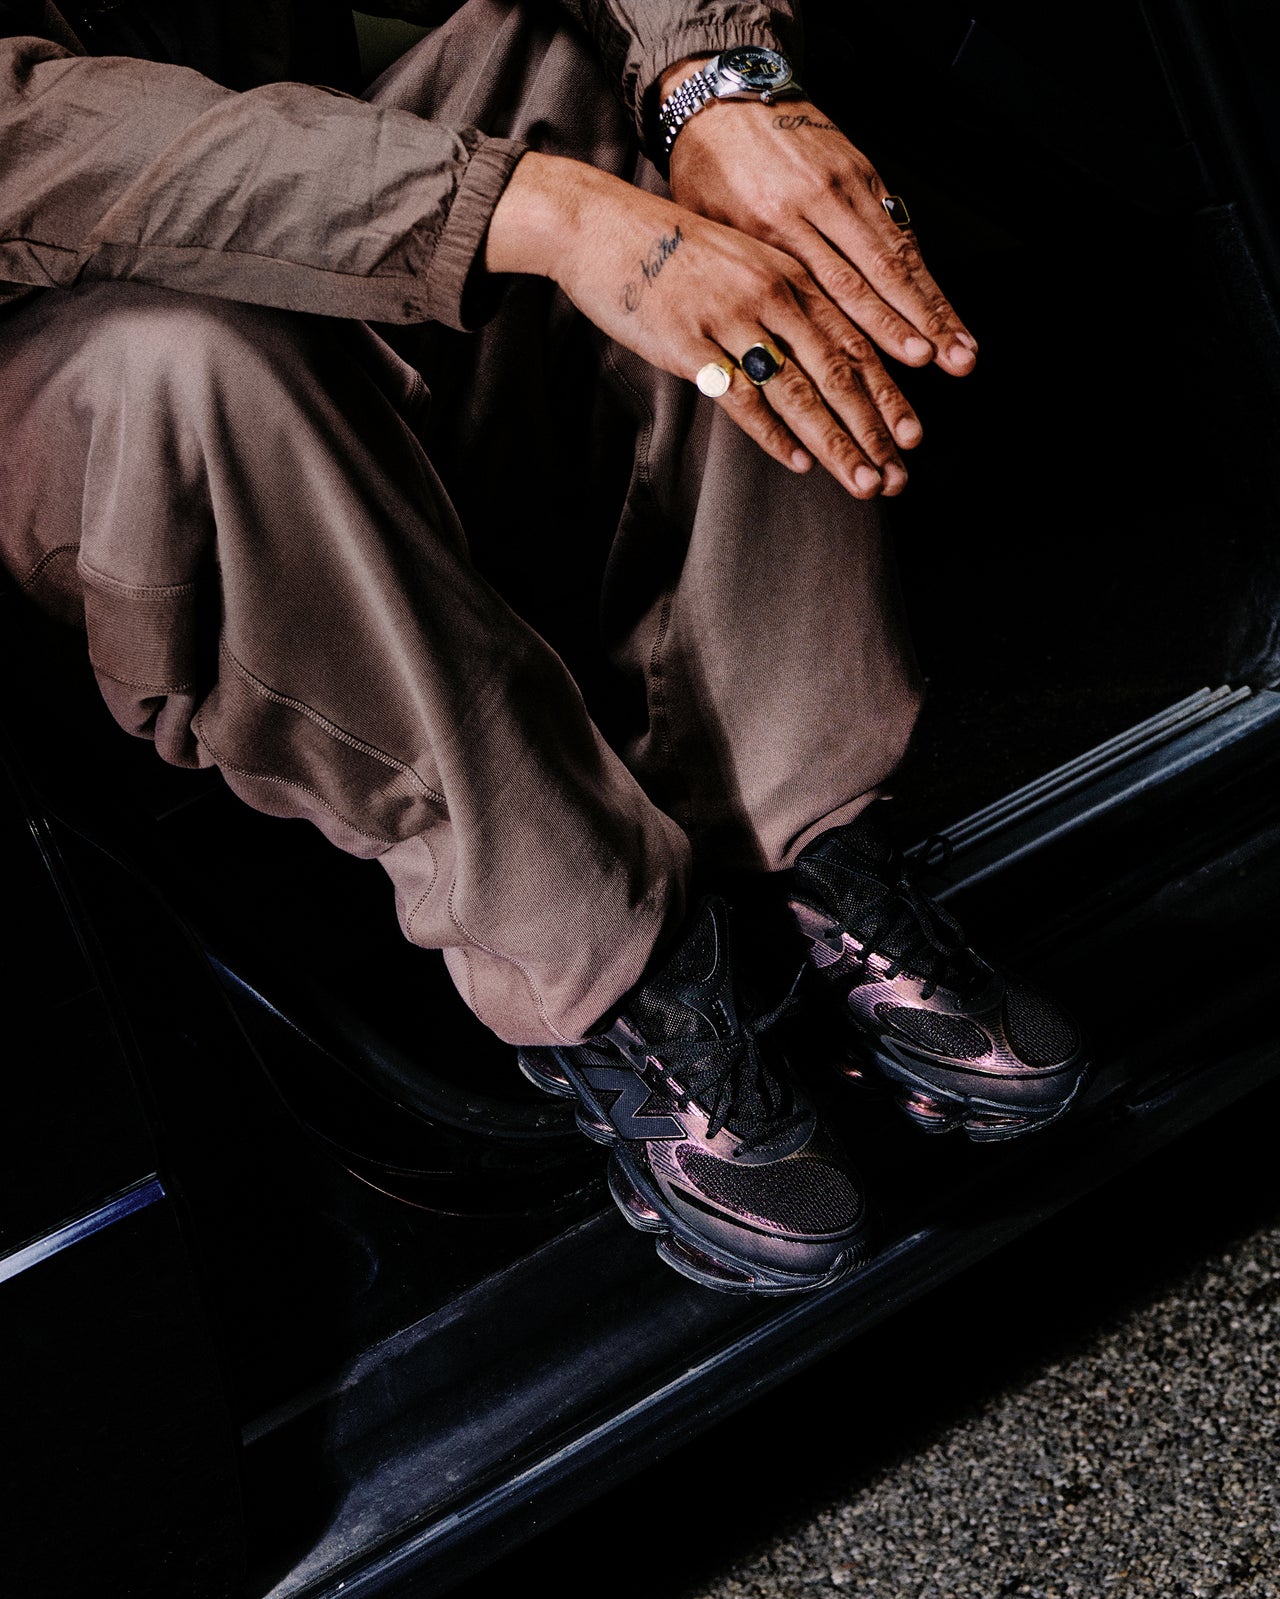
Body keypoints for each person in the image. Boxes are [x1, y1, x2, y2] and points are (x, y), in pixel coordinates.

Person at [0, 0, 1088, 1296]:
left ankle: (797, 824)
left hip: (291, 207)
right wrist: (544, 215)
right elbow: (30, 139)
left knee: (594, 78)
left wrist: (710, 76)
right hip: (63, 355)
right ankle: (605, 968)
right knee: (186, 363)